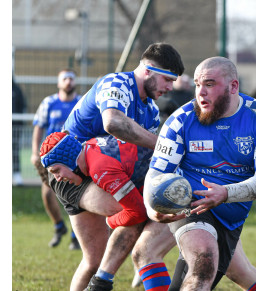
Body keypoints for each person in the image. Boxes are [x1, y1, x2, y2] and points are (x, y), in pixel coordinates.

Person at [143, 56, 256, 290]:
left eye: (209, 84)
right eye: (197, 84)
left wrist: (225, 193)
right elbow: (155, 174)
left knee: (235, 272)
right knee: (203, 262)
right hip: (191, 204)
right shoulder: (180, 120)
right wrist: (151, 208)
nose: (200, 92)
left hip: (231, 216)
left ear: (233, 86)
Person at [56, 43, 185, 290]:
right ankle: (111, 278)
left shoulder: (150, 110)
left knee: (93, 260)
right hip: (71, 172)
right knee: (139, 210)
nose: (170, 87)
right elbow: (113, 123)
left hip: (104, 173)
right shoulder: (116, 83)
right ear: (147, 70)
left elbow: (143, 157)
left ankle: (129, 267)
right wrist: (165, 145)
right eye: (167, 79)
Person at [40, 132, 151, 291]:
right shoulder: (92, 149)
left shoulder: (100, 168)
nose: (57, 178)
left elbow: (137, 212)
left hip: (169, 185)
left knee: (147, 253)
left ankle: (101, 282)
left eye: (57, 170)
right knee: (144, 253)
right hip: (165, 183)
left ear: (68, 159)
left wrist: (110, 220)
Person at [30, 68, 81, 249]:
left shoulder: (80, 103)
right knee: (47, 194)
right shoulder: (48, 103)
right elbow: (38, 127)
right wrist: (35, 152)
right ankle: (59, 226)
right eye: (64, 79)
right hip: (51, 161)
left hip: (75, 159)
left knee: (77, 196)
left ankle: (77, 236)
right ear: (59, 83)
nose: (68, 81)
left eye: (71, 78)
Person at [12, 77, 27, 186]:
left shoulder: (16, 89)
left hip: (14, 126)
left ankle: (16, 174)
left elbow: (22, 106)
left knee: (14, 150)